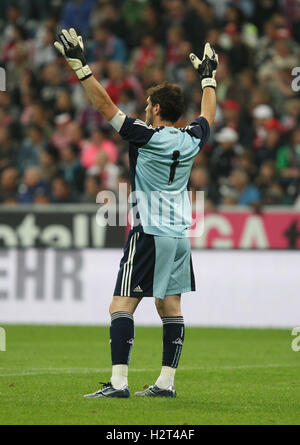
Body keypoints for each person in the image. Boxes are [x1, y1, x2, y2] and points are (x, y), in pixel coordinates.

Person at [54, 28, 218, 398]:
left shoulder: (145, 136)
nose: (144, 109)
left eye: (147, 104)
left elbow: (104, 107)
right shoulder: (193, 138)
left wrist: (81, 68)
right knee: (169, 305)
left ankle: (118, 382)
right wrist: (209, 78)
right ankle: (165, 383)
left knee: (120, 305)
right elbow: (208, 113)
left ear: (157, 109)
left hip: (148, 230)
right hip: (179, 235)